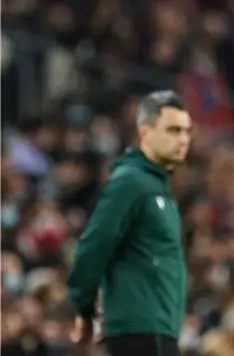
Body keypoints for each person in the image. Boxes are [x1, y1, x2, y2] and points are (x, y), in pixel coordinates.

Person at [67, 90, 192, 356]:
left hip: (158, 328)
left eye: (186, 131)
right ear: (145, 132)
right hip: (141, 330)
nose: (183, 140)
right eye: (173, 130)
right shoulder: (132, 181)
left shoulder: (159, 190)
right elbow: (95, 243)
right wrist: (83, 306)